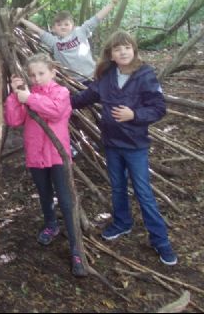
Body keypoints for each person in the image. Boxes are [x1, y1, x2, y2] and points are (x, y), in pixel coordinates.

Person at [71, 30, 177, 266]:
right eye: (118, 49)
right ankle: (122, 222)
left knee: (144, 192)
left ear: (134, 50)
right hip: (111, 143)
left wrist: (135, 114)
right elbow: (85, 96)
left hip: (135, 145)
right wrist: (56, 101)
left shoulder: (145, 74)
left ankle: (160, 241)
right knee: (117, 186)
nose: (123, 52)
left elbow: (159, 108)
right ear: (111, 54)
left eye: (127, 47)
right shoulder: (107, 76)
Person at [4, 53, 87, 277]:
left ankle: (76, 247)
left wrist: (28, 98)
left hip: (58, 156)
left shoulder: (61, 92)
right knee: (44, 194)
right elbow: (13, 121)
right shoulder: (26, 94)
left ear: (53, 72)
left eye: (41, 73)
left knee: (66, 199)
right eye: (32, 75)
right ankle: (51, 224)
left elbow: (55, 111)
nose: (37, 78)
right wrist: (14, 95)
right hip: (35, 156)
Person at [19, 0, 119, 83]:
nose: (63, 27)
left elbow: (97, 18)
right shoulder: (54, 42)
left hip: (94, 75)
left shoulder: (80, 31)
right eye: (59, 25)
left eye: (66, 24)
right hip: (74, 82)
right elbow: (38, 30)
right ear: (53, 29)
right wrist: (22, 19)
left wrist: (112, 4)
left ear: (73, 25)